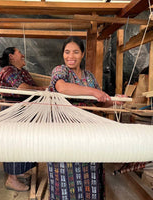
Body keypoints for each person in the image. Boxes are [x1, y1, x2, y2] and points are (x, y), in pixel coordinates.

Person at [48, 36, 119, 200]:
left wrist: (113, 101)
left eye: (75, 52)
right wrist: (94, 92)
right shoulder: (61, 71)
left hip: (88, 133)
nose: (70, 56)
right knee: (66, 171)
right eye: (67, 52)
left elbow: (100, 104)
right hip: (64, 133)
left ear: (82, 54)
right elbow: (62, 87)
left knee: (89, 170)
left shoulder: (90, 77)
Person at [0, 47, 45, 192]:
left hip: (24, 111)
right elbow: (22, 88)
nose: (23, 55)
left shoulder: (22, 72)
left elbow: (32, 86)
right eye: (20, 53)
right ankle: (11, 179)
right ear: (11, 56)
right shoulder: (8, 71)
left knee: (24, 142)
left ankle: (19, 171)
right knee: (13, 143)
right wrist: (43, 89)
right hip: (13, 112)